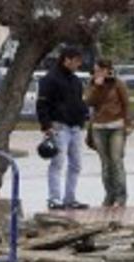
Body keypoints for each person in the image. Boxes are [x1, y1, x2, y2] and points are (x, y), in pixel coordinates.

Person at [37, 45, 89, 210]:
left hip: (75, 126)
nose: (78, 65)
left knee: (76, 164)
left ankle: (70, 197)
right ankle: (54, 198)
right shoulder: (50, 79)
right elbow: (42, 104)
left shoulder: (75, 80)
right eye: (76, 61)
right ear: (66, 60)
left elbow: (79, 101)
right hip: (59, 126)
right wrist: (46, 125)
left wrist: (83, 116)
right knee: (57, 163)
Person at [84, 59, 131, 208]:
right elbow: (89, 101)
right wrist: (97, 87)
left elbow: (126, 104)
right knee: (105, 163)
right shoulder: (92, 84)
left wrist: (127, 124)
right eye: (95, 70)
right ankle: (109, 195)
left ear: (107, 70)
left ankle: (121, 196)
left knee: (116, 160)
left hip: (116, 125)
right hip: (99, 126)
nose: (96, 73)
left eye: (99, 70)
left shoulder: (118, 83)